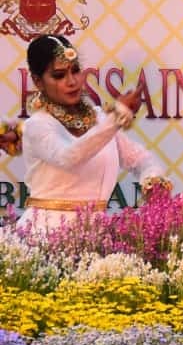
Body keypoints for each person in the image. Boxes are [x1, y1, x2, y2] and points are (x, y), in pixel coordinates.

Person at [17, 34, 166, 231]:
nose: (72, 81)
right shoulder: (38, 125)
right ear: (38, 82)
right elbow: (68, 157)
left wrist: (153, 179)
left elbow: (140, 159)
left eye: (75, 71)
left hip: (97, 233)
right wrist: (117, 116)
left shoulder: (100, 119)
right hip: (45, 234)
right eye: (59, 75)